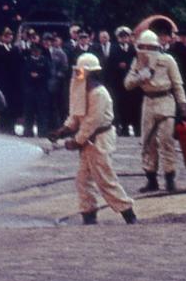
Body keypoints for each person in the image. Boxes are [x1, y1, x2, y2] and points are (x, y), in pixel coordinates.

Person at [54, 53, 136, 225]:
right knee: (83, 180)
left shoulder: (98, 93)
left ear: (90, 73)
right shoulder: (82, 91)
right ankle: (89, 214)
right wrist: (64, 130)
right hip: (88, 141)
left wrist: (76, 140)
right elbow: (76, 114)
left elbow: (92, 122)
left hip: (99, 139)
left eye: (82, 72)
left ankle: (128, 213)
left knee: (104, 178)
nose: (78, 75)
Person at [126, 27, 186, 194]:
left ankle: (169, 177)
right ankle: (151, 178)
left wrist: (182, 104)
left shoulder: (167, 60)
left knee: (166, 140)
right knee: (148, 141)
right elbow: (127, 84)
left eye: (150, 47)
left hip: (165, 100)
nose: (147, 51)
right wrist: (141, 76)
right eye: (143, 47)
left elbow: (177, 84)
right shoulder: (137, 62)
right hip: (148, 101)